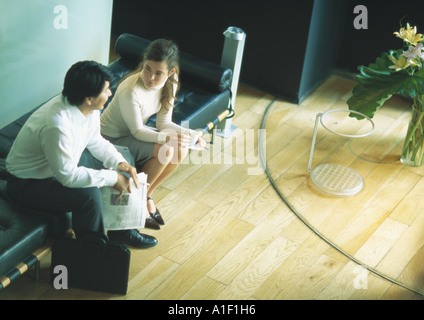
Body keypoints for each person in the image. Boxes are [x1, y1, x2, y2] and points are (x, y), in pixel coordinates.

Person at [5, 60, 157, 248]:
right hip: (27, 184)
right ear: (89, 98)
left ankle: (123, 231)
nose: (110, 93)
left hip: (55, 168)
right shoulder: (57, 126)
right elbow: (68, 177)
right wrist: (112, 178)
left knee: (123, 159)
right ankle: (93, 251)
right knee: (88, 195)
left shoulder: (87, 106)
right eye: (106, 90)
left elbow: (94, 140)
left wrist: (118, 164)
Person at [100, 39, 205, 229]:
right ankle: (137, 202)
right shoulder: (130, 90)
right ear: (144, 62)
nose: (150, 77)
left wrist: (192, 134)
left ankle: (146, 197)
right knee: (167, 148)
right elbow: (137, 130)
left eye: (158, 73)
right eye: (147, 69)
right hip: (111, 138)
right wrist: (168, 138)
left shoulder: (171, 83)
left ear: (170, 72)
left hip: (134, 134)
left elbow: (163, 122)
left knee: (181, 149)